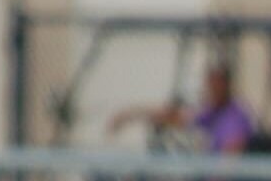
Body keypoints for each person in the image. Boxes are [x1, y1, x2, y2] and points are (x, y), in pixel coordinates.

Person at [108, 62, 256, 154]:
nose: (211, 91)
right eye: (210, 86)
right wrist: (130, 115)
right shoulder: (212, 112)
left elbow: (229, 164)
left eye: (216, 86)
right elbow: (177, 117)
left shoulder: (234, 118)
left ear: (226, 86)